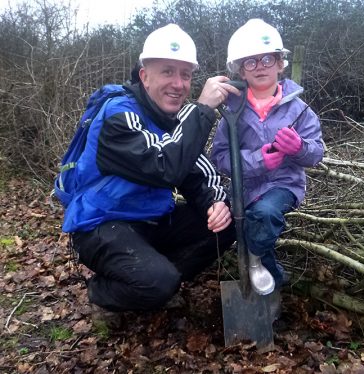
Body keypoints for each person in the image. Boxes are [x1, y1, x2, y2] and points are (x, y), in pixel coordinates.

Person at [64, 23, 241, 314]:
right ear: (145, 77)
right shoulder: (118, 115)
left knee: (229, 222)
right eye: (167, 72)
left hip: (152, 221)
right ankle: (103, 292)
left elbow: (194, 171)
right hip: (101, 226)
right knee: (157, 283)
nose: (178, 83)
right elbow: (165, 166)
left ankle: (154, 281)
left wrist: (215, 203)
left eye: (185, 74)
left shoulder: (169, 120)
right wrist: (203, 110)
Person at [211, 19, 324, 296]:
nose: (259, 66)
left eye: (266, 58)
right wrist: (258, 160)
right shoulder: (231, 109)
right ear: (240, 69)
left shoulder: (299, 109)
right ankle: (272, 279)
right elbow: (220, 157)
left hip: (283, 185)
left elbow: (316, 153)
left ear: (279, 63)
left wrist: (298, 147)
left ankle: (254, 258)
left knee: (264, 214)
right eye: (250, 62)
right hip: (245, 188)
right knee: (239, 223)